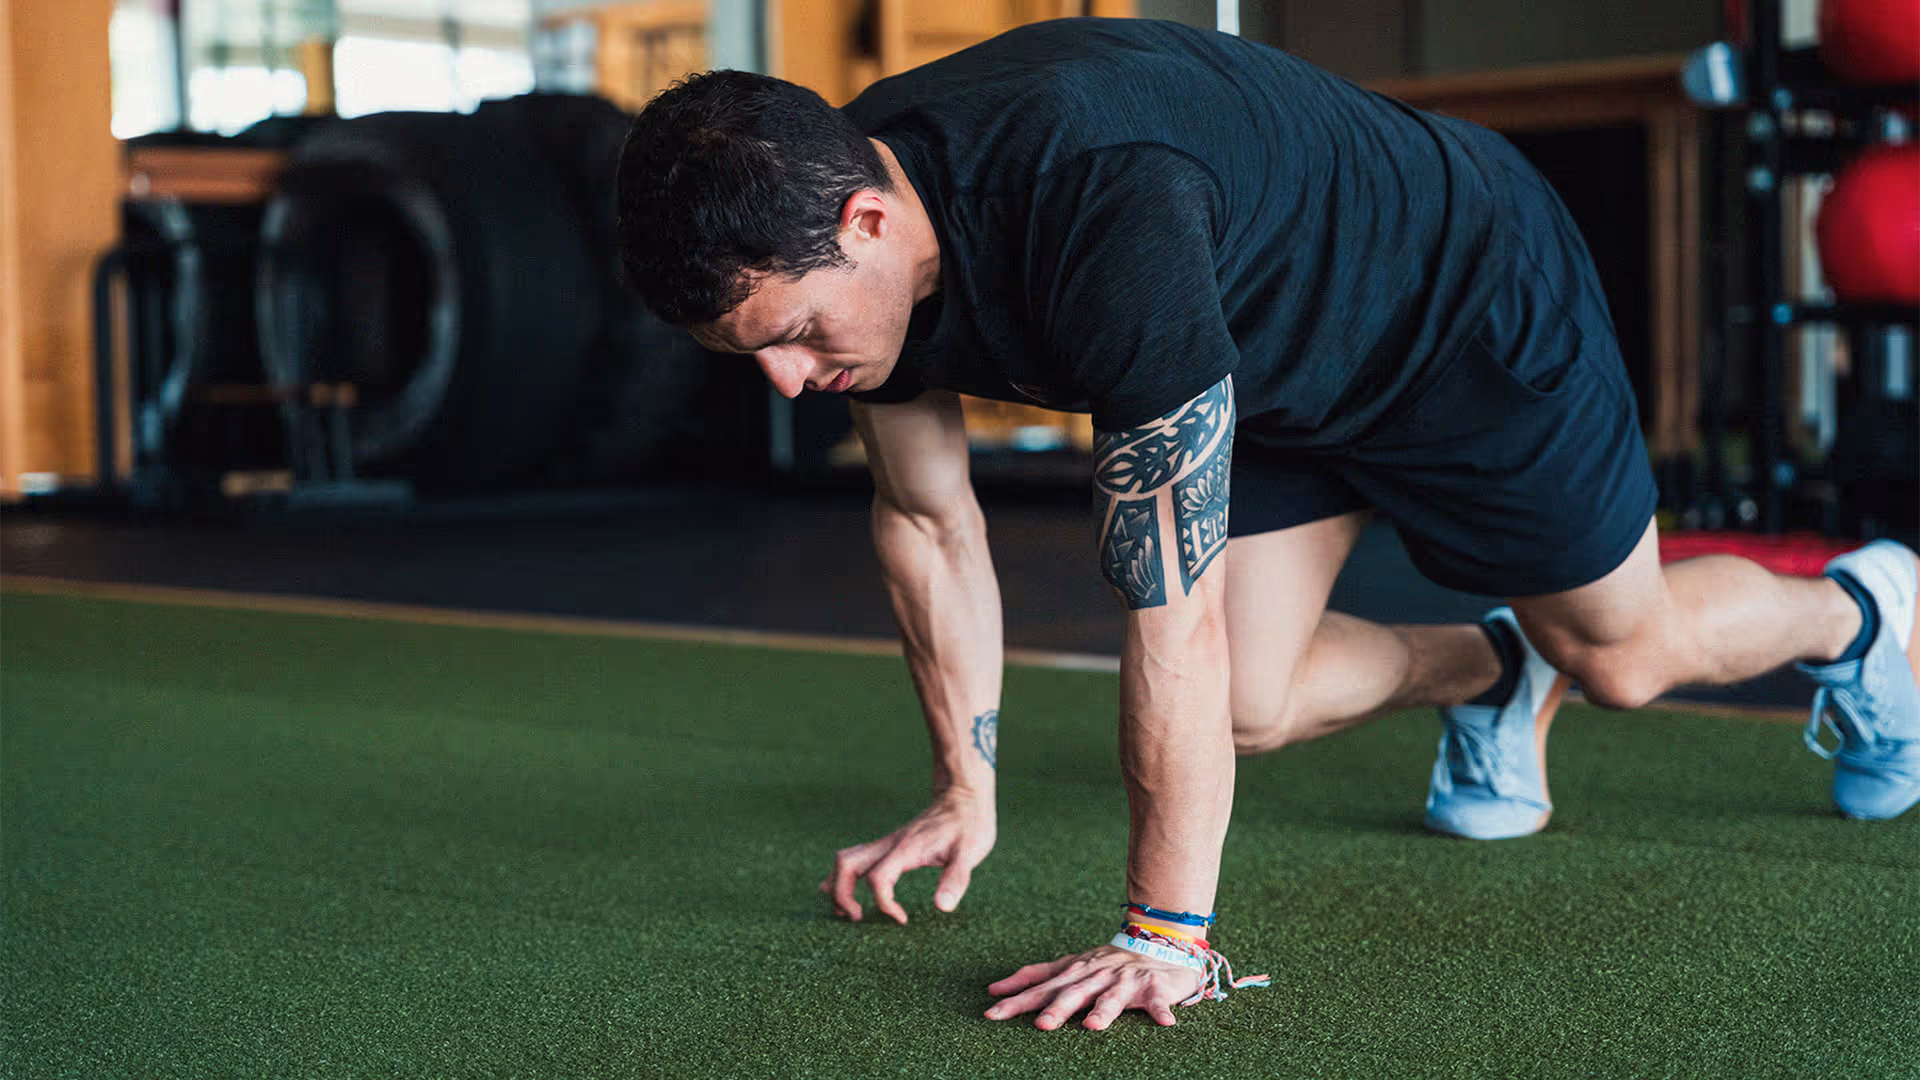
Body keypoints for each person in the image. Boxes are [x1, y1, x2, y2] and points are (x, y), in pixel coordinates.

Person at [613, 17, 1920, 1031]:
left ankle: (1864, 610)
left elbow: (1164, 618)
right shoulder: (853, 229)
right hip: (1269, 352)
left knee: (1625, 661)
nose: (789, 381)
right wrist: (967, 784)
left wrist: (1161, 938)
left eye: (791, 335)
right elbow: (926, 519)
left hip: (1458, 295)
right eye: (756, 356)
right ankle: (1499, 667)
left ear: (870, 220)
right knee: (1252, 700)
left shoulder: (1098, 210)